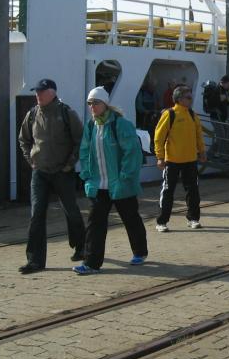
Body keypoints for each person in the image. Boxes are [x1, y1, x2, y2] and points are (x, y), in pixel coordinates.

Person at [73, 87, 148, 274]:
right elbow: (84, 151)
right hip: (99, 185)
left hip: (120, 184)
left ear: (105, 104)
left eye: (95, 103)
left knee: (130, 218)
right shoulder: (91, 126)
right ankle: (91, 263)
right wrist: (87, 175)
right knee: (95, 223)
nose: (92, 106)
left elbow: (132, 152)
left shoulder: (121, 125)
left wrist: (125, 176)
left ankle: (140, 251)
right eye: (89, 103)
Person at [18, 78, 85, 274]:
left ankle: (81, 246)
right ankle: (35, 261)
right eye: (36, 92)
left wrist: (69, 164)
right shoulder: (32, 114)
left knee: (71, 210)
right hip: (40, 172)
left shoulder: (66, 113)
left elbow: (80, 140)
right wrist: (31, 160)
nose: (37, 95)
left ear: (52, 93)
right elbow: (23, 139)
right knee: (36, 215)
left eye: (41, 92)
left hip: (63, 172)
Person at [153, 85, 207, 232]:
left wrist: (202, 151)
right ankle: (161, 222)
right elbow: (159, 136)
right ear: (179, 99)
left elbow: (198, 134)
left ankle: (193, 219)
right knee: (168, 191)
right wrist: (160, 157)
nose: (191, 100)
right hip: (172, 161)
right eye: (188, 97)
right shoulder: (170, 114)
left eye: (190, 97)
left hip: (190, 160)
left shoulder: (192, 114)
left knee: (193, 191)